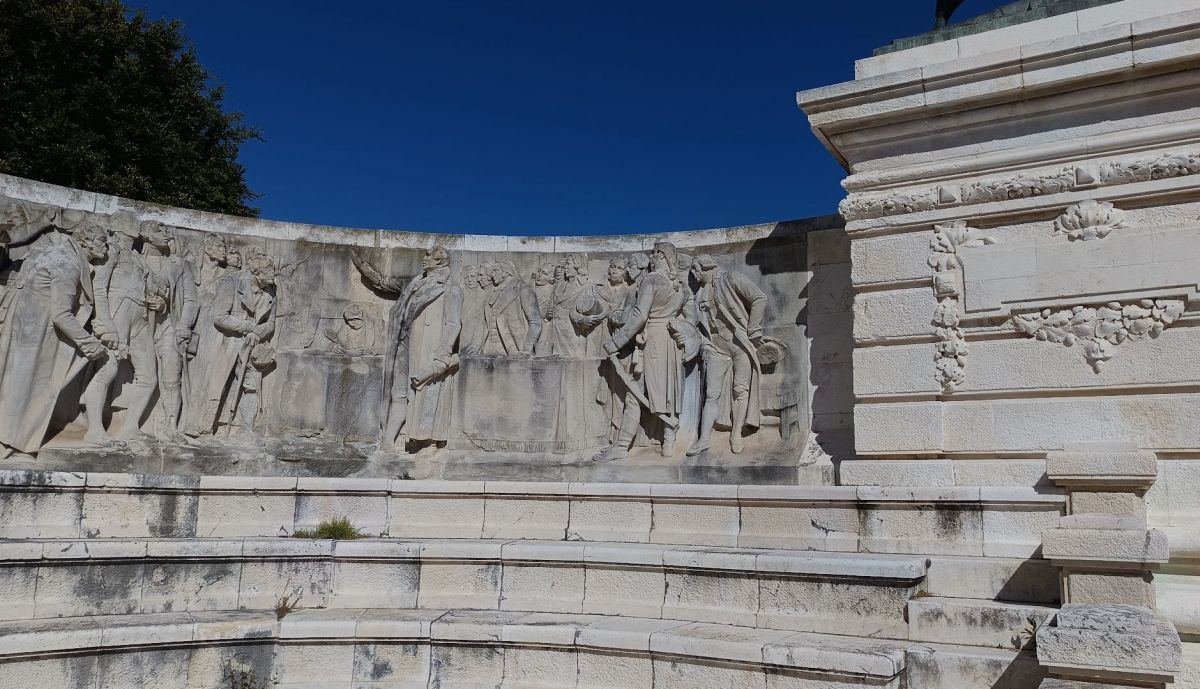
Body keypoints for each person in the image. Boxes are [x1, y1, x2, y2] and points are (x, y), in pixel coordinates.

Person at [0, 223, 109, 457]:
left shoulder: (51, 250)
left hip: (21, 322)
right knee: (26, 385)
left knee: (13, 381)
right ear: (86, 241)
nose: (106, 247)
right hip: (38, 330)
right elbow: (61, 314)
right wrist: (89, 343)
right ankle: (10, 441)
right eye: (102, 241)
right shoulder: (67, 263)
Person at [352, 246, 463, 450]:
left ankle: (426, 443)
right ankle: (388, 441)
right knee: (399, 392)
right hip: (404, 343)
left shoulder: (450, 288)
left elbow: (453, 324)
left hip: (429, 351)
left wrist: (442, 355)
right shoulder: (414, 283)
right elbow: (383, 282)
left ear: (440, 261)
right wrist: (362, 265)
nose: (424, 259)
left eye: (428, 256)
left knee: (425, 394)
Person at [601, 242, 689, 457]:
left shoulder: (652, 279)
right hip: (672, 341)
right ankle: (669, 441)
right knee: (669, 393)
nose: (651, 258)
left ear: (660, 256)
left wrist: (616, 342)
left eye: (653, 254)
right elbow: (691, 317)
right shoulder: (681, 286)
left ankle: (621, 448)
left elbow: (640, 315)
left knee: (634, 393)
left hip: (653, 341)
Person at [83, 213, 164, 444]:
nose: (136, 224)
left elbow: (153, 291)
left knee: (149, 376)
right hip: (117, 312)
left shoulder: (138, 257)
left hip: (140, 318)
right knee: (107, 371)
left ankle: (130, 428)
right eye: (131, 220)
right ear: (119, 226)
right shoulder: (112, 250)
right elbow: (99, 286)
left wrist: (160, 303)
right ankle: (95, 430)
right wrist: (105, 324)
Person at [191, 247, 277, 437]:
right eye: (269, 270)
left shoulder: (271, 290)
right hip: (226, 340)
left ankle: (246, 430)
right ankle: (204, 428)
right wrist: (249, 327)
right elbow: (220, 316)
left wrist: (259, 332)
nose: (274, 273)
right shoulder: (232, 281)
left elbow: (271, 322)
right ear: (256, 271)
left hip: (253, 344)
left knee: (252, 386)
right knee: (216, 385)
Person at [686, 253, 767, 455]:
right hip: (716, 348)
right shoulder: (698, 295)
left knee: (740, 390)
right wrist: (704, 343)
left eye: (696, 269)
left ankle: (736, 433)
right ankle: (704, 439)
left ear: (707, 267)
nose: (694, 274)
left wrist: (754, 329)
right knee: (711, 395)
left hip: (739, 344)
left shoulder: (731, 278)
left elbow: (759, 298)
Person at [141, 221, 199, 439]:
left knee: (171, 377)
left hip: (168, 326)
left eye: (166, 231)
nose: (166, 234)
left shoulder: (178, 264)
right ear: (146, 236)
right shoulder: (135, 260)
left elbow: (192, 300)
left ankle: (171, 426)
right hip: (139, 327)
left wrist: (183, 327)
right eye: (158, 231)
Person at [481, 260, 541, 357]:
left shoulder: (523, 290)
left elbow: (536, 322)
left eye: (496, 271)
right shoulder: (492, 292)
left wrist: (527, 349)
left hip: (515, 350)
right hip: (489, 349)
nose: (492, 274)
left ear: (505, 273)